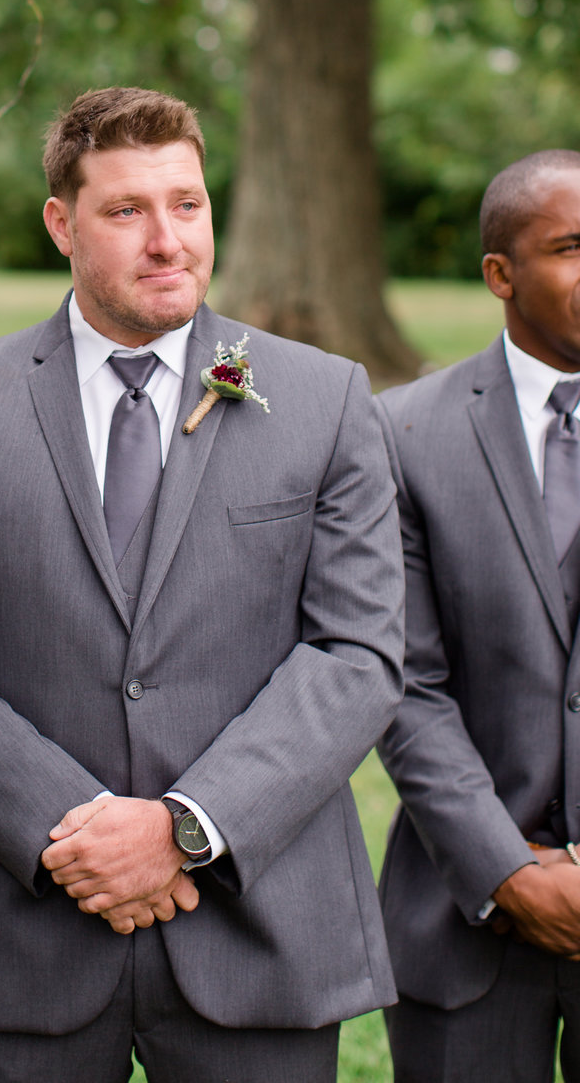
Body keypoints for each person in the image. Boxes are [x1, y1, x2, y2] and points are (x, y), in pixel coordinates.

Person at [0, 87, 403, 1083]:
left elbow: (356, 656)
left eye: (187, 205)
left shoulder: (324, 400)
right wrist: (81, 834)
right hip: (19, 938)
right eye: (126, 211)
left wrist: (184, 828)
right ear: (61, 223)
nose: (168, 241)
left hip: (260, 933)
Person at [378, 149, 580, 1083]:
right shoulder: (404, 434)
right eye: (572, 248)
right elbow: (401, 682)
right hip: (464, 918)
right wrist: (507, 869)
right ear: (501, 274)